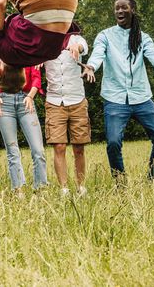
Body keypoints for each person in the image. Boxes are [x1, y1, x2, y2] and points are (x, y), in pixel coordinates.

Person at [83, 0, 154, 182]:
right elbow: (97, 54)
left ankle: (152, 179)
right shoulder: (105, 36)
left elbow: (153, 54)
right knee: (113, 143)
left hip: (141, 97)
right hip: (115, 99)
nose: (119, 11)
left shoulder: (143, 37)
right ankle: (120, 184)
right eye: (117, 8)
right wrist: (90, 66)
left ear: (132, 10)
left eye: (124, 7)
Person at [43, 32, 90, 197]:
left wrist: (77, 47)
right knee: (59, 146)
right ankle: (64, 189)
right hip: (55, 101)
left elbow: (84, 47)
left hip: (77, 100)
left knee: (79, 147)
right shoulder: (44, 41)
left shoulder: (76, 38)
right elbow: (27, 53)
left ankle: (81, 186)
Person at [0, 55, 47, 192]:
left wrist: (30, 96)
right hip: (5, 103)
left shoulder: (30, 53)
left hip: (25, 100)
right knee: (13, 150)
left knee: (38, 150)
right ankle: (18, 189)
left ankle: (40, 188)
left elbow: (36, 78)